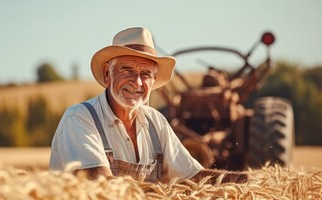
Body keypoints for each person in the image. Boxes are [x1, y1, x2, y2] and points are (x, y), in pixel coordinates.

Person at [49, 27, 247, 183]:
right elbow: (101, 184)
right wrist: (163, 196)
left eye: (145, 74)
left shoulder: (155, 121)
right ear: (108, 74)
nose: (137, 82)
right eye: (127, 70)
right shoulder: (80, 118)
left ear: (153, 81)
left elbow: (193, 177)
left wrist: (247, 182)